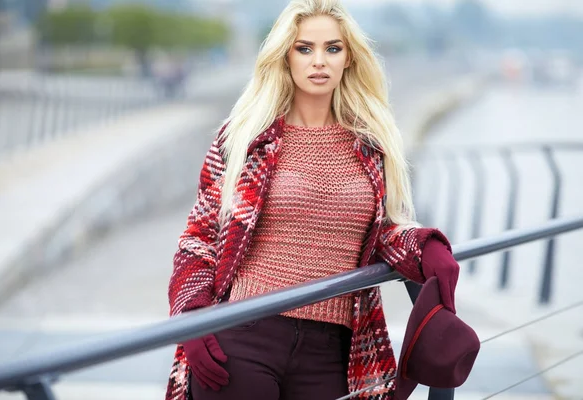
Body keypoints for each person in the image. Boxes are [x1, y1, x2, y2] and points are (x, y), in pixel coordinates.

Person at [165, 0, 460, 399]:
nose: (318, 61)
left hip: (335, 352)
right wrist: (192, 320)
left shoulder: (372, 146)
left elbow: (381, 232)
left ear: (348, 59)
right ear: (285, 57)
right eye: (305, 48)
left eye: (332, 49)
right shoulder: (244, 139)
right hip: (243, 339)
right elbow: (199, 237)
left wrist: (425, 247)